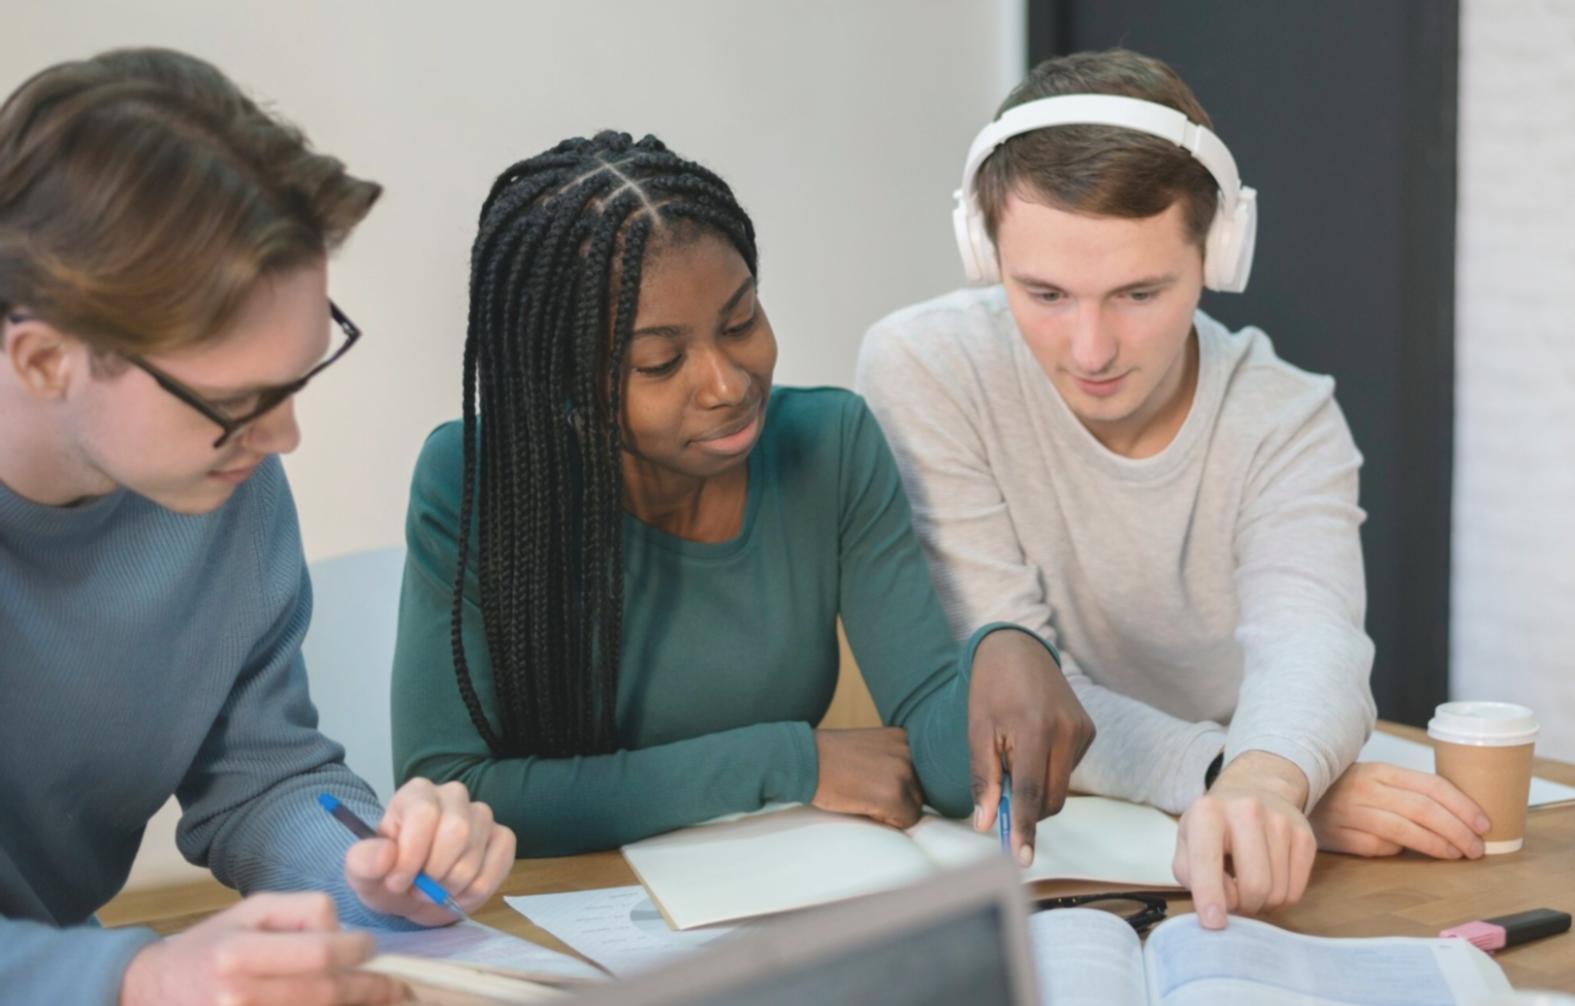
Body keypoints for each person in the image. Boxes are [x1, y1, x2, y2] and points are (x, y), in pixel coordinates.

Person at [856, 49, 1491, 930]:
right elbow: (1020, 694)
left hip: (1239, 819)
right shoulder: (926, 367)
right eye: (1043, 293)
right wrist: (1243, 777)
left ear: (1218, 254)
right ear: (982, 252)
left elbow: (1310, 644)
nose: (1090, 349)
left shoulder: (1286, 416)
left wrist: (1267, 780)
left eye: (1138, 293)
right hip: (1102, 830)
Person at [391, 131, 1094, 861]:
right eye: (660, 363)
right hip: (571, 904)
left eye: (740, 322)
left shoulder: (832, 445)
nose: (729, 384)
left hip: (774, 897)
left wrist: (1003, 654)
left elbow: (933, 760)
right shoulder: (472, 480)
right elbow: (455, 790)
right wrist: (788, 762)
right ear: (564, 383)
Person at [0, 49, 515, 1006]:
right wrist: (135, 979)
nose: (282, 439)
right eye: (238, 402)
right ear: (41, 361)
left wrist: (372, 870)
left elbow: (260, 777)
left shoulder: (218, 486)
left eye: (295, 380)